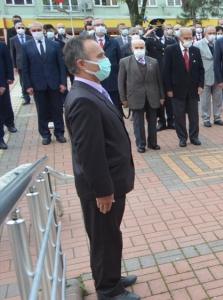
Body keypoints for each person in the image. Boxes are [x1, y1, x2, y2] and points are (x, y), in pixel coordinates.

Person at [63, 35, 140, 300]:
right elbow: (89, 153)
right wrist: (103, 191)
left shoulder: (92, 89)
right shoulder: (83, 98)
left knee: (110, 235)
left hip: (111, 180)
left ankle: (111, 276)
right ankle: (108, 290)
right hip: (102, 187)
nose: (106, 61)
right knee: (104, 239)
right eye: (100, 57)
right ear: (82, 64)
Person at [22, 22, 67, 145]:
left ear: (43, 30)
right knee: (42, 111)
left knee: (57, 109)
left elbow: (61, 65)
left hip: (54, 83)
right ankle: (45, 134)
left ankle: (59, 133)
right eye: (34, 30)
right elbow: (25, 68)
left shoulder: (54, 45)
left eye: (39, 29)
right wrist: (28, 85)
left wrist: (63, 82)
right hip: (37, 84)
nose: (37, 32)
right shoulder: (26, 46)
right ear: (30, 32)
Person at [118, 39, 164, 153]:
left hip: (152, 95)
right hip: (135, 96)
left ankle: (153, 142)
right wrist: (123, 98)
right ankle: (141, 144)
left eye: (141, 47)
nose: (139, 50)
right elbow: (121, 81)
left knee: (153, 121)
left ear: (145, 48)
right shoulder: (125, 62)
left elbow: (159, 80)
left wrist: (161, 96)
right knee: (138, 122)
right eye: (136, 48)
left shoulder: (153, 61)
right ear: (132, 49)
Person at [164, 28, 204, 147]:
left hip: (192, 88)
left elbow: (200, 69)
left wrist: (200, 85)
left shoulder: (195, 50)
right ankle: (182, 137)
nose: (188, 40)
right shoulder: (170, 50)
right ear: (179, 38)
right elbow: (166, 71)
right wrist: (168, 89)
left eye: (190, 38)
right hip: (177, 89)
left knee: (193, 115)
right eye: (186, 38)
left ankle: (194, 137)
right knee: (179, 115)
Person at [145, 19, 175, 131]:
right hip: (156, 74)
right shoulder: (149, 41)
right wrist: (147, 33)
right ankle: (161, 121)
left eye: (161, 29)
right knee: (160, 99)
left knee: (170, 98)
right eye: (157, 29)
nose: (160, 31)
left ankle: (171, 120)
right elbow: (137, 44)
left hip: (170, 74)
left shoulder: (171, 40)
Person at [195, 25, 223, 127]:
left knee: (218, 98)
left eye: (214, 33)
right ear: (205, 34)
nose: (213, 35)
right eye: (210, 33)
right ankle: (206, 118)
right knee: (205, 99)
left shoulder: (219, 43)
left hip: (218, 75)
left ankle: (217, 117)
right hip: (204, 76)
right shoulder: (198, 44)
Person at [92, 18, 124, 116]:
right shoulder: (88, 41)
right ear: (93, 27)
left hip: (112, 80)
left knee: (115, 108)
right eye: (97, 25)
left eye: (102, 25)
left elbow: (120, 60)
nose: (100, 27)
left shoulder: (113, 41)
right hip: (95, 80)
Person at [9, 22, 32, 105]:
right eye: (18, 28)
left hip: (31, 62)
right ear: (15, 29)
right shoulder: (13, 39)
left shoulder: (30, 37)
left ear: (25, 29)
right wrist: (14, 66)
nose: (20, 29)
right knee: (23, 81)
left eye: (22, 28)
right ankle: (26, 97)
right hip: (20, 63)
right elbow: (13, 53)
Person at [0, 40, 15, 149]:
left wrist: (8, 78)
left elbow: (7, 61)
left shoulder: (1, 45)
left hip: (1, 83)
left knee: (5, 105)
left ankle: (9, 123)